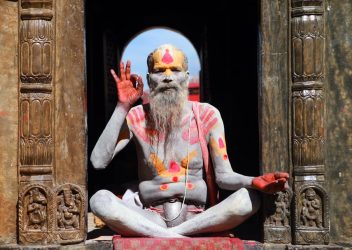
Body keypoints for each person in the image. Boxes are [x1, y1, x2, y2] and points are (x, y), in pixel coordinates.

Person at [90, 44, 289, 237]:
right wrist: (122, 107)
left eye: (175, 69)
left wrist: (253, 181)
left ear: (186, 77)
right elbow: (98, 162)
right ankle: (173, 235)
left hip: (200, 217)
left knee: (249, 199)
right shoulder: (137, 117)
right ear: (150, 79)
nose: (168, 77)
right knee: (99, 200)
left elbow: (223, 176)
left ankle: (169, 235)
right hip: (150, 217)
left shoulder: (207, 115)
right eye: (160, 71)